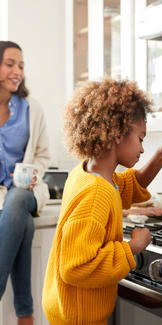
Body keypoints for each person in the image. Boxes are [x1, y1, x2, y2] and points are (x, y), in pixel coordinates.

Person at [42, 77, 162, 325]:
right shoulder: (96, 193)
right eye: (141, 139)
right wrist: (132, 247)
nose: (142, 149)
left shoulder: (89, 174)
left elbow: (133, 184)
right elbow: (76, 267)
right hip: (79, 317)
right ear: (118, 133)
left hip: (71, 309)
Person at [0, 41, 50, 325]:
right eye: (10, 64)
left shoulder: (33, 108)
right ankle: (26, 315)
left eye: (21, 65)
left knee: (18, 199)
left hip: (28, 191)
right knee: (24, 224)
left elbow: (43, 155)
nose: (17, 71)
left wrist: (31, 173)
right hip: (3, 200)